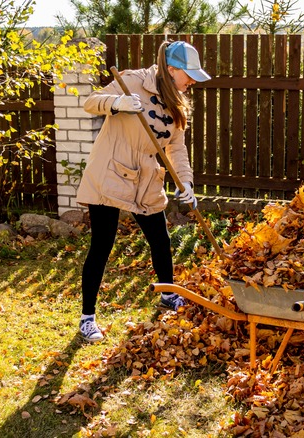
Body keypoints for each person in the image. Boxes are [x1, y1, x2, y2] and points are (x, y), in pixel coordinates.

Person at [75, 40, 212, 343]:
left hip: (147, 179)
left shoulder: (176, 100)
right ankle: (87, 319)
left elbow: (176, 147)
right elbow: (90, 102)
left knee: (160, 240)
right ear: (171, 69)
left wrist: (185, 183)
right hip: (111, 172)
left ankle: (167, 295)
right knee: (102, 245)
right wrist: (117, 103)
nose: (191, 81)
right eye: (188, 74)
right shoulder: (132, 81)